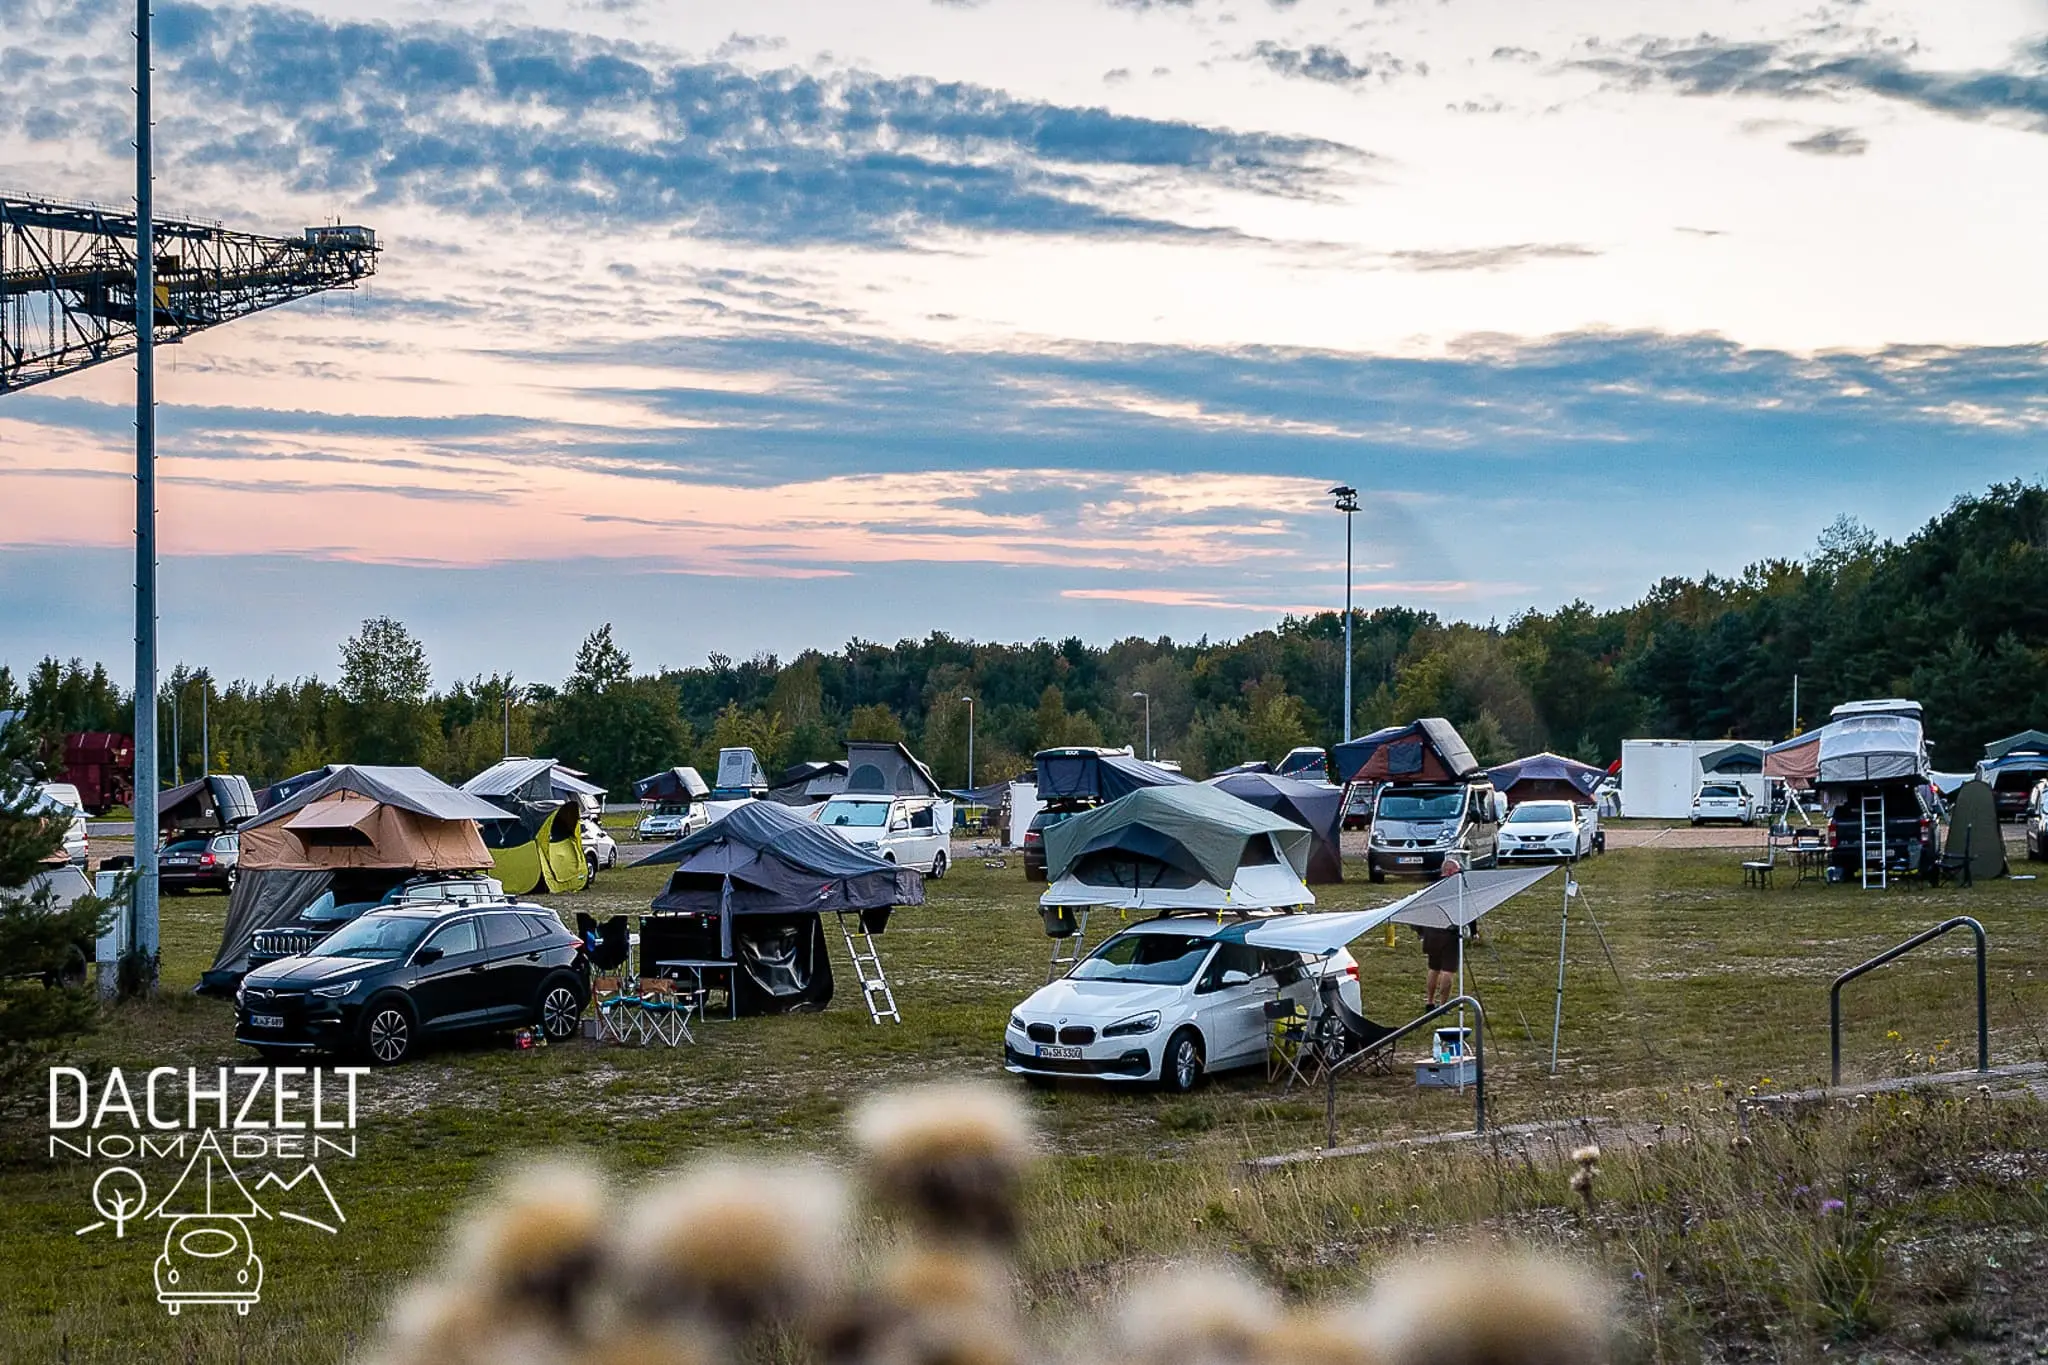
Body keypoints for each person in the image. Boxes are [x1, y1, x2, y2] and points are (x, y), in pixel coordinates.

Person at [1418, 923, 1460, 1008]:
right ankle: (1443, 1006)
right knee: (1448, 971)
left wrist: (1421, 931)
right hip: (1450, 934)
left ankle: (1430, 1002)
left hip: (1431, 933)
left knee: (1433, 968)